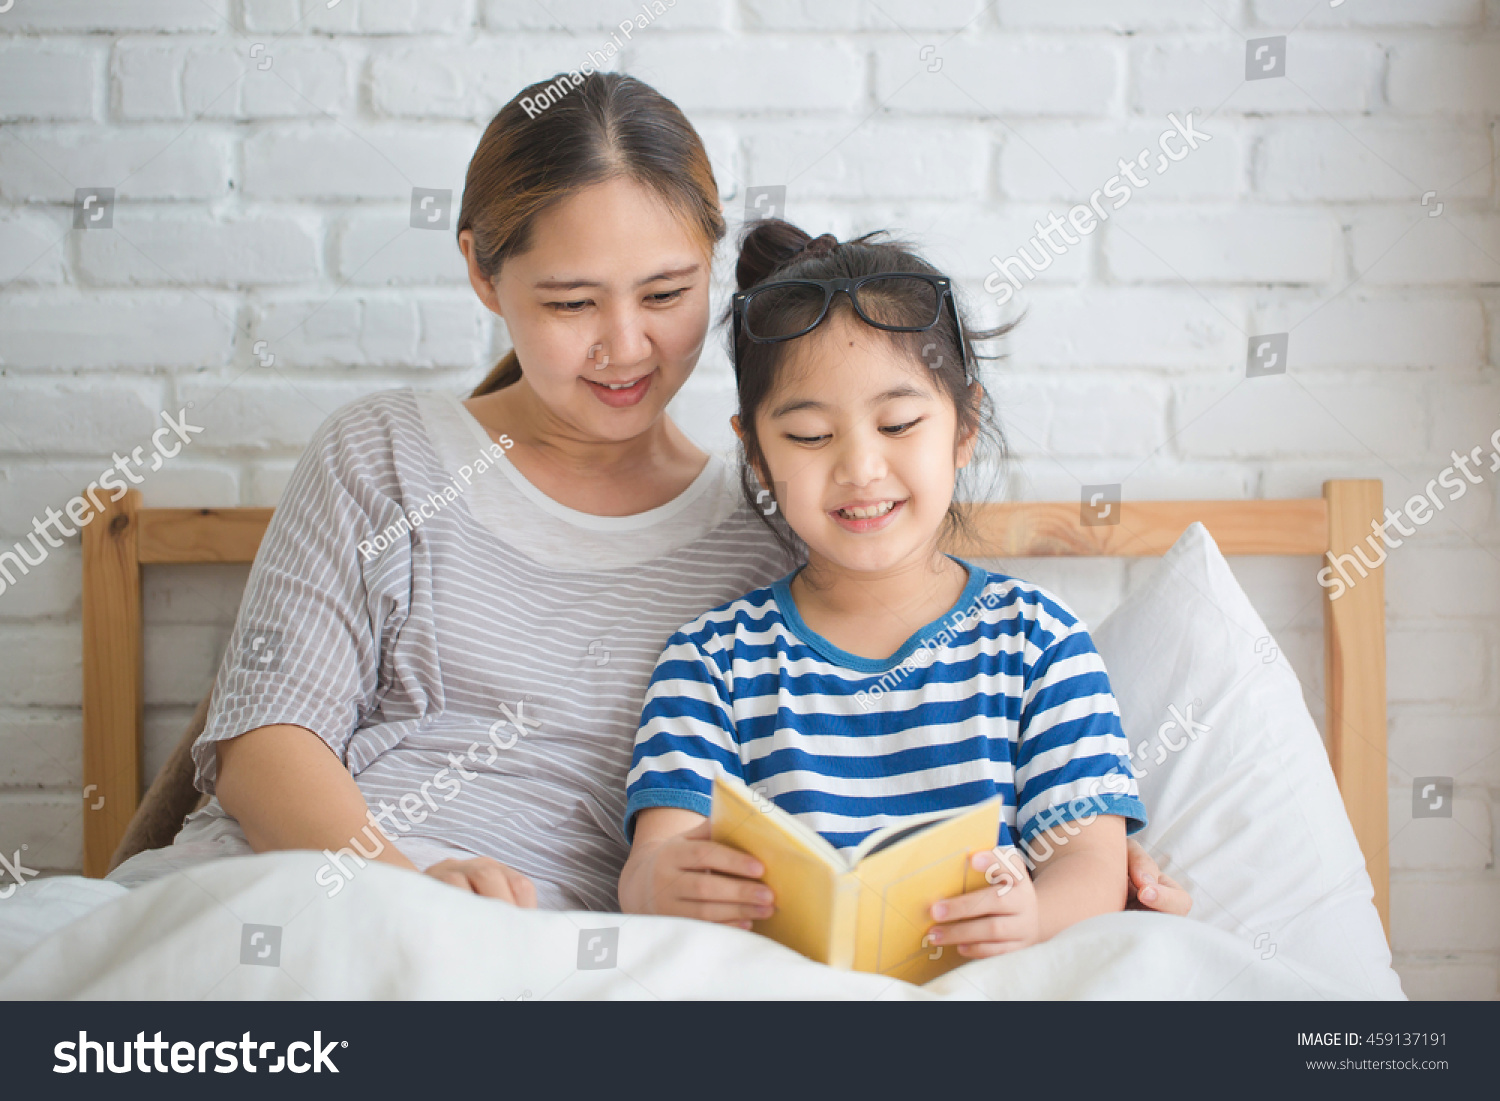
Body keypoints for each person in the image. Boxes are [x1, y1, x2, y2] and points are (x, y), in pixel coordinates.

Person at [108, 72, 1190, 921]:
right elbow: (264, 744)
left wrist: (1084, 866)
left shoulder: (777, 535)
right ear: (484, 277)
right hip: (301, 894)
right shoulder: (383, 456)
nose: (626, 348)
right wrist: (398, 886)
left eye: (667, 295)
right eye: (572, 301)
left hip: (544, 947)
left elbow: (860, 755)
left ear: (714, 269)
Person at [619, 220, 1162, 957]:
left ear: (965, 425)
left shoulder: (1038, 641)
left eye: (899, 423)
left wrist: (1033, 916)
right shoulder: (711, 662)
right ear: (755, 452)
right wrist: (659, 885)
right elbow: (654, 861)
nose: (861, 469)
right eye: (810, 437)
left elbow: (1092, 865)